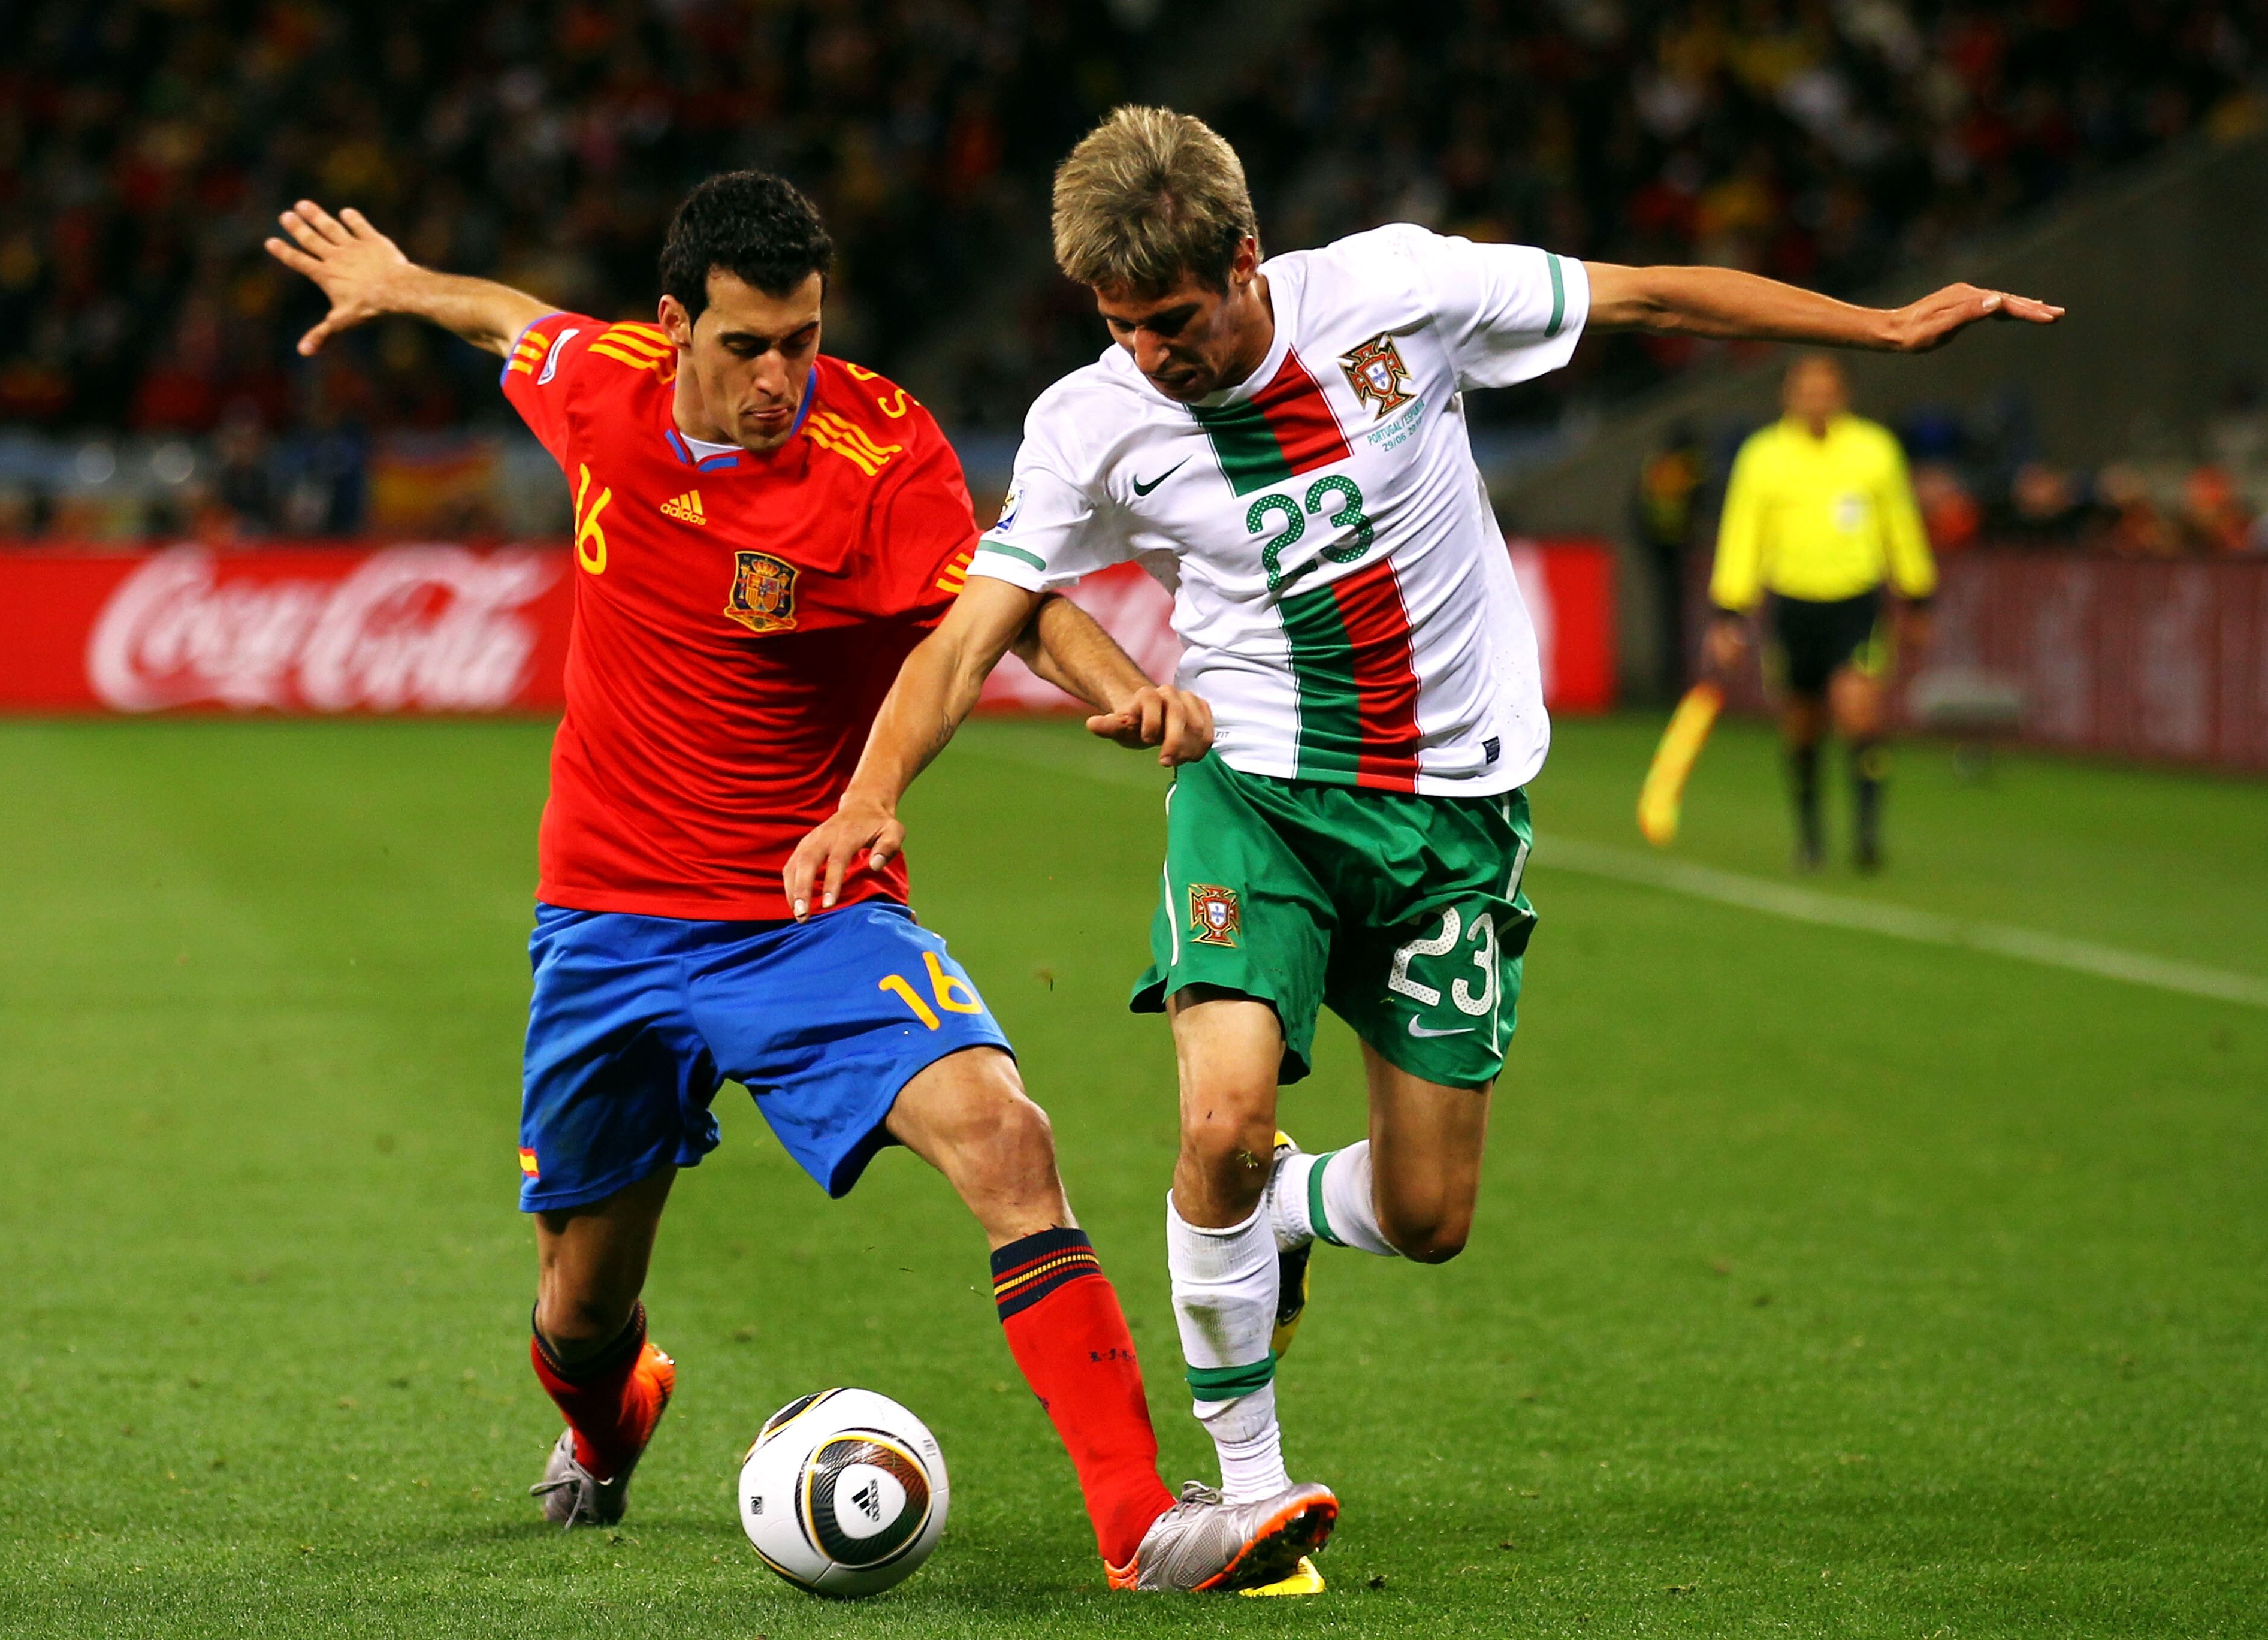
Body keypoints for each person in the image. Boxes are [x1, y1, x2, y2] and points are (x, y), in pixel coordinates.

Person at [787, 104, 2059, 1568]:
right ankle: (1246, 1484)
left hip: (1454, 809)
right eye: (1119, 324)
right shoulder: (1094, 425)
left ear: (1247, 260)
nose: (1149, 352)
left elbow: (1642, 292)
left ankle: (1280, 1224)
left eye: (1172, 319)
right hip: (1255, 793)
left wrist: (1886, 329)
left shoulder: (1399, 291)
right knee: (1218, 1125)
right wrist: (874, 791)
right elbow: (971, 634)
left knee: (1429, 1211)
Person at [261, 173, 1327, 1594]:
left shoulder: (877, 453)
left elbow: (999, 603)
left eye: (803, 340)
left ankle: (1140, 1521)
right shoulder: (604, 387)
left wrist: (1125, 686)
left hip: (805, 911)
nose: (782, 378)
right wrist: (400, 282)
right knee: (580, 1309)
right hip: (606, 922)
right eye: (747, 346)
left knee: (1006, 1140)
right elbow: (514, 321)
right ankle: (610, 1413)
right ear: (672, 330)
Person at [1707, 355, 1938, 871]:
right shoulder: (1763, 455)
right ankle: (1810, 837)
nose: (1816, 398)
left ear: (1843, 394)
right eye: (1806, 388)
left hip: (1855, 603)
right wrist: (1729, 610)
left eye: (1825, 388)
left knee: (1860, 712)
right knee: (1802, 724)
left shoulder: (1874, 450)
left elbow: (1900, 523)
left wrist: (1918, 594)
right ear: (1789, 394)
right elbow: (1743, 534)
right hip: (1793, 606)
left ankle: (1867, 834)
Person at [1634, 422, 1708, 702]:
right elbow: (1698, 507)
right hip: (1679, 552)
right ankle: (1679, 678)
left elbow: (1639, 510)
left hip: (1660, 552)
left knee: (1668, 616)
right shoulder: (1690, 470)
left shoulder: (1656, 467)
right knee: (1680, 617)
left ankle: (1670, 678)